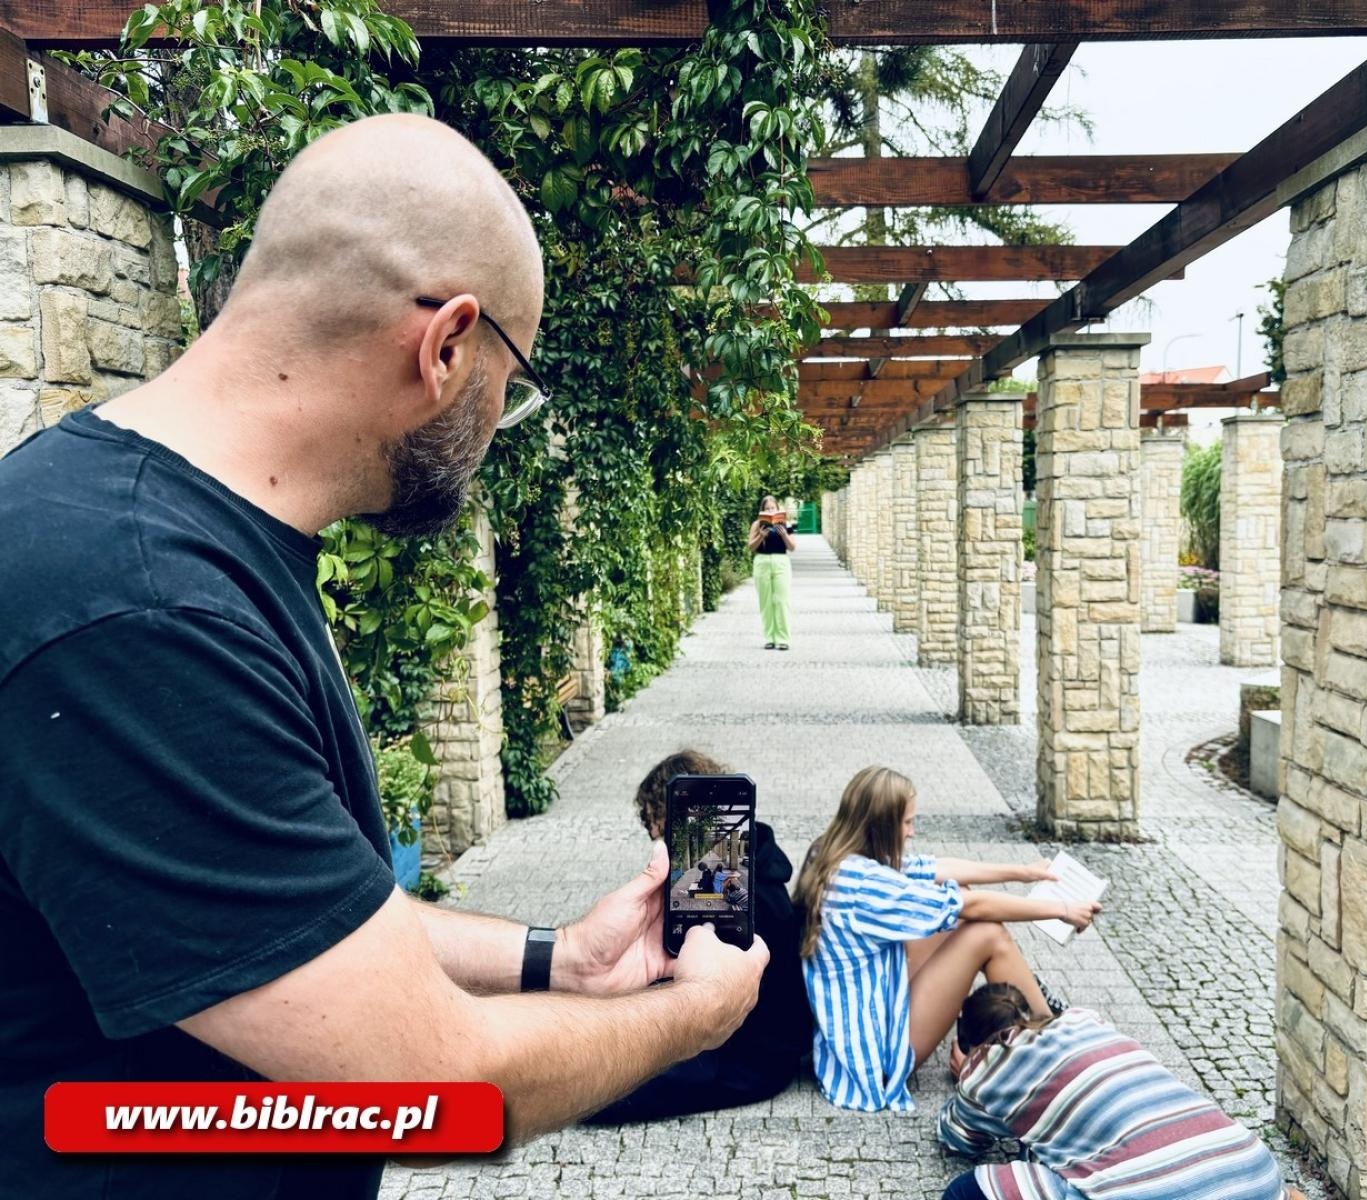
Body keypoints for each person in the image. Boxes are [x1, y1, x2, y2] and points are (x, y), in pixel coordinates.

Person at [0, 115, 767, 1200]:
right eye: (513, 382)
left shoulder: (172, 546)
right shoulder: (139, 609)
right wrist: (691, 1014)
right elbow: (429, 1078)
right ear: (447, 346)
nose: (500, 418)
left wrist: (561, 961)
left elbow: (293, 917)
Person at [793, 766, 1100, 1113]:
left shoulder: (835, 853)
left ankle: (1033, 1010)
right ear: (880, 824)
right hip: (876, 1055)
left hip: (861, 1015)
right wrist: (1060, 909)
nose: (912, 832)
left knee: (958, 902)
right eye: (907, 822)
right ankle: (1056, 1049)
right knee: (988, 933)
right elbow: (974, 906)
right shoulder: (864, 884)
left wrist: (1022, 872)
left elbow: (937, 869)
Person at [587, 751, 812, 1124]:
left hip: (753, 1055)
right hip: (731, 1036)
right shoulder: (735, 862)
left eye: (660, 829)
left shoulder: (740, 888)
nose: (657, 841)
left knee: (612, 1089)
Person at [938, 984, 1289, 1200]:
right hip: (1253, 1166)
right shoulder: (1084, 1020)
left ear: (973, 1040)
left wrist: (966, 1073)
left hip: (1144, 1191)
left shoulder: (983, 1071)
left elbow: (958, 1140)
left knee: (966, 1191)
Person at [747, 494, 795, 650]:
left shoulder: (785, 523)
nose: (770, 510)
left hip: (781, 562)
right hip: (762, 562)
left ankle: (783, 639)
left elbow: (792, 547)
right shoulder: (757, 524)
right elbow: (751, 547)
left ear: (777, 508)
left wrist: (784, 534)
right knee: (766, 602)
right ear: (762, 510)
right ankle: (769, 637)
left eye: (772, 508)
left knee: (781, 601)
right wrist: (761, 536)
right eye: (767, 509)